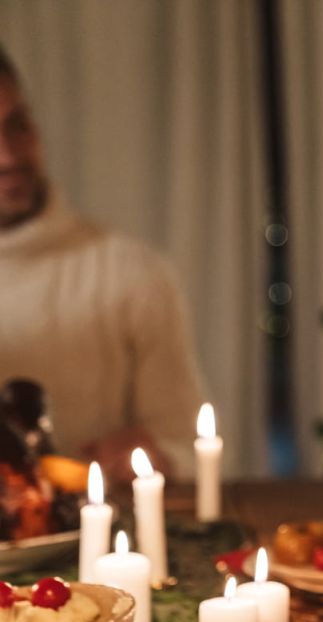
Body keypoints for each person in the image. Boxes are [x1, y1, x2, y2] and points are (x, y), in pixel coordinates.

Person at [0, 45, 204, 480]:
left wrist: (157, 456)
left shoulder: (132, 273)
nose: (9, 156)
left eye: (16, 125)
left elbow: (190, 447)